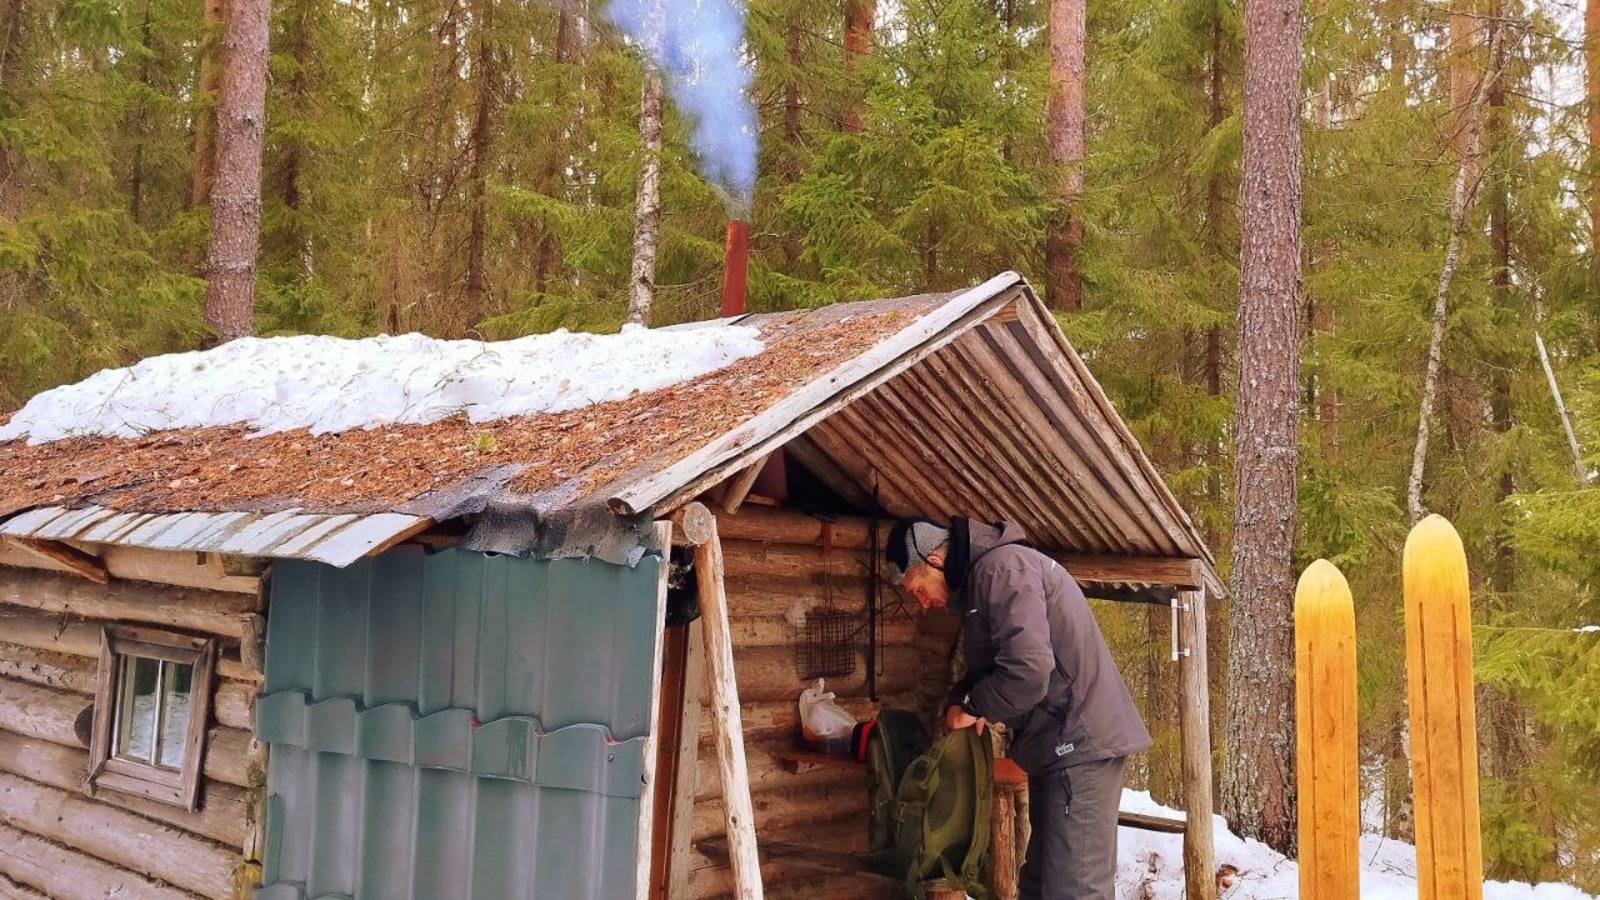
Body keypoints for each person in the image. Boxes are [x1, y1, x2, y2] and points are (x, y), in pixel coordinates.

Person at [885, 516, 1150, 900]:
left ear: (934, 560)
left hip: (1079, 745)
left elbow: (1028, 670)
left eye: (917, 588)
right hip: (1058, 749)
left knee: (1072, 890)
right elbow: (1000, 667)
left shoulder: (1004, 569)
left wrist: (975, 706)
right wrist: (963, 699)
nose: (922, 603)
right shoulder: (988, 578)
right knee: (1040, 884)